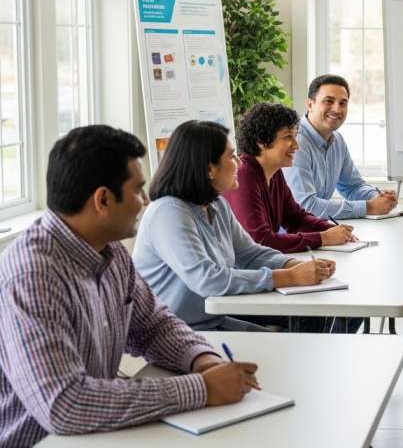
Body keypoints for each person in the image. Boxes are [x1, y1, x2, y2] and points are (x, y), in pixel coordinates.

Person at [0, 126, 257, 446]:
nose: (146, 200)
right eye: (138, 190)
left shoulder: (110, 252)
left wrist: (202, 360)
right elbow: (66, 405)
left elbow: (154, 325)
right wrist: (202, 389)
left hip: (99, 435)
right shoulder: (33, 276)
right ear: (103, 200)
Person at [133, 120, 342, 333]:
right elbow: (208, 280)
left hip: (209, 322)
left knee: (296, 342)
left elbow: (250, 253)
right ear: (209, 169)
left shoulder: (216, 203)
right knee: (288, 348)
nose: (240, 163)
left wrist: (292, 264)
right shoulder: (169, 212)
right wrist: (290, 276)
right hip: (172, 333)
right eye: (231, 156)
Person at [224, 102, 357, 253]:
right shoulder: (244, 176)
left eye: (295, 137)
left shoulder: (274, 173)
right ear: (261, 141)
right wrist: (323, 238)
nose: (296, 146)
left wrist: (333, 229)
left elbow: (295, 217)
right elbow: (260, 240)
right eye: (288, 137)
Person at [284, 74, 398, 220]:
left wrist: (378, 196)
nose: (337, 109)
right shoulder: (294, 142)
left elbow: (353, 186)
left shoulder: (337, 140)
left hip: (315, 230)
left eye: (343, 103)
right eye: (328, 101)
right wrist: (369, 207)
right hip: (287, 236)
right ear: (310, 104)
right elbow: (306, 206)